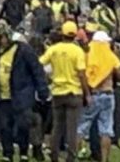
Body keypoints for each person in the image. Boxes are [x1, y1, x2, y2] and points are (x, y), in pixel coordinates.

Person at [0, 25, 49, 162]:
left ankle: (24, 152)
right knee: (4, 125)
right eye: (1, 38)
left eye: (5, 37)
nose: (3, 41)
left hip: (21, 94)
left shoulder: (24, 50)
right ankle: (7, 154)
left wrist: (42, 90)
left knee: (23, 124)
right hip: (1, 95)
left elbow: (37, 70)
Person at [39, 21, 90, 162]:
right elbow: (81, 73)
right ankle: (71, 157)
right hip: (74, 93)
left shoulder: (54, 49)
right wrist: (87, 93)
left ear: (62, 34)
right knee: (71, 129)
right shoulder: (77, 51)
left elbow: (40, 63)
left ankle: (54, 154)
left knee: (57, 126)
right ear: (74, 35)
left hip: (57, 92)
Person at [77, 31, 120, 162]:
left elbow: (82, 74)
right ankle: (105, 159)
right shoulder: (111, 56)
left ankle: (76, 154)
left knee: (81, 127)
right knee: (106, 130)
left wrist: (86, 93)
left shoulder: (87, 55)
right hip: (108, 94)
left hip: (92, 94)